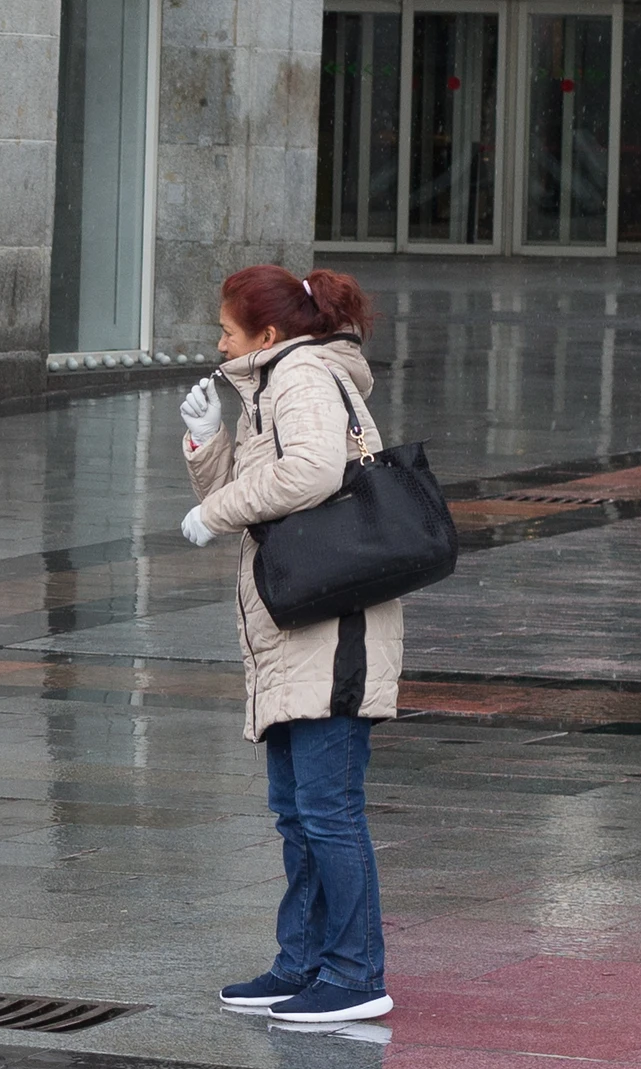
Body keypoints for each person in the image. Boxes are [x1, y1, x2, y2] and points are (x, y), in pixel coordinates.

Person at [177, 265, 400, 1025]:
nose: (219, 340)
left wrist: (219, 508)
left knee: (327, 809)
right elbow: (244, 492)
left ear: (267, 335)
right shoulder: (276, 380)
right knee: (297, 810)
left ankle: (355, 972)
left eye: (229, 330)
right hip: (296, 629)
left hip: (331, 630)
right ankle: (302, 963)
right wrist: (208, 444)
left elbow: (311, 471)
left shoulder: (301, 375)